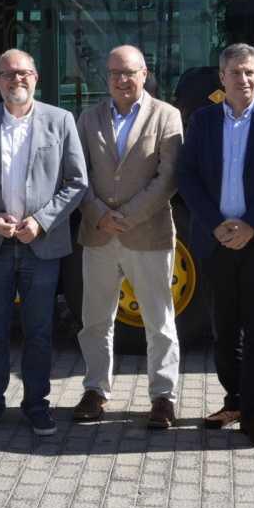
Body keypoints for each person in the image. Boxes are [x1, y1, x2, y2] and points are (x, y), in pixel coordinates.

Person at [0, 48, 87, 437]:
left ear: (36, 78)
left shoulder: (60, 120)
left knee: (40, 331)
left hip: (42, 247)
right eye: (8, 74)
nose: (17, 80)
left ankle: (36, 405)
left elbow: (77, 181)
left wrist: (42, 221)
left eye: (24, 73)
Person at [177, 43, 254, 448]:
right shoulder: (203, 120)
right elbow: (188, 177)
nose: (243, 79)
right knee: (223, 328)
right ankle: (234, 400)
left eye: (250, 72)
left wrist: (250, 225)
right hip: (216, 242)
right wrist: (215, 225)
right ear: (221, 77)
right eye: (235, 72)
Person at [73, 45, 184, 430]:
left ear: (144, 73)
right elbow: (77, 175)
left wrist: (129, 216)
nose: (122, 80)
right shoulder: (88, 119)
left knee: (159, 321)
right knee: (95, 319)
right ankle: (95, 390)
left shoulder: (167, 116)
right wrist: (99, 214)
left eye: (129, 72)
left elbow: (168, 177)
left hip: (148, 234)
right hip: (98, 233)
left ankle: (163, 397)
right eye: (114, 73)